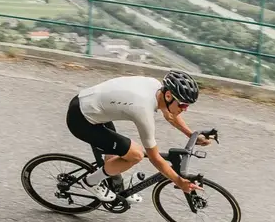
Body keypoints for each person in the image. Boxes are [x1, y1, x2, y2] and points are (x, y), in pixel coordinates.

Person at [66, 70, 207, 201]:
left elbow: (170, 114)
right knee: (136, 154)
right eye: (183, 105)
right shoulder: (143, 108)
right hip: (81, 120)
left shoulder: (157, 88)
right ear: (169, 95)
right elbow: (155, 158)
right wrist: (179, 181)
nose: (185, 109)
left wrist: (191, 134)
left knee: (117, 155)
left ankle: (116, 187)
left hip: (90, 106)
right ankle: (90, 182)